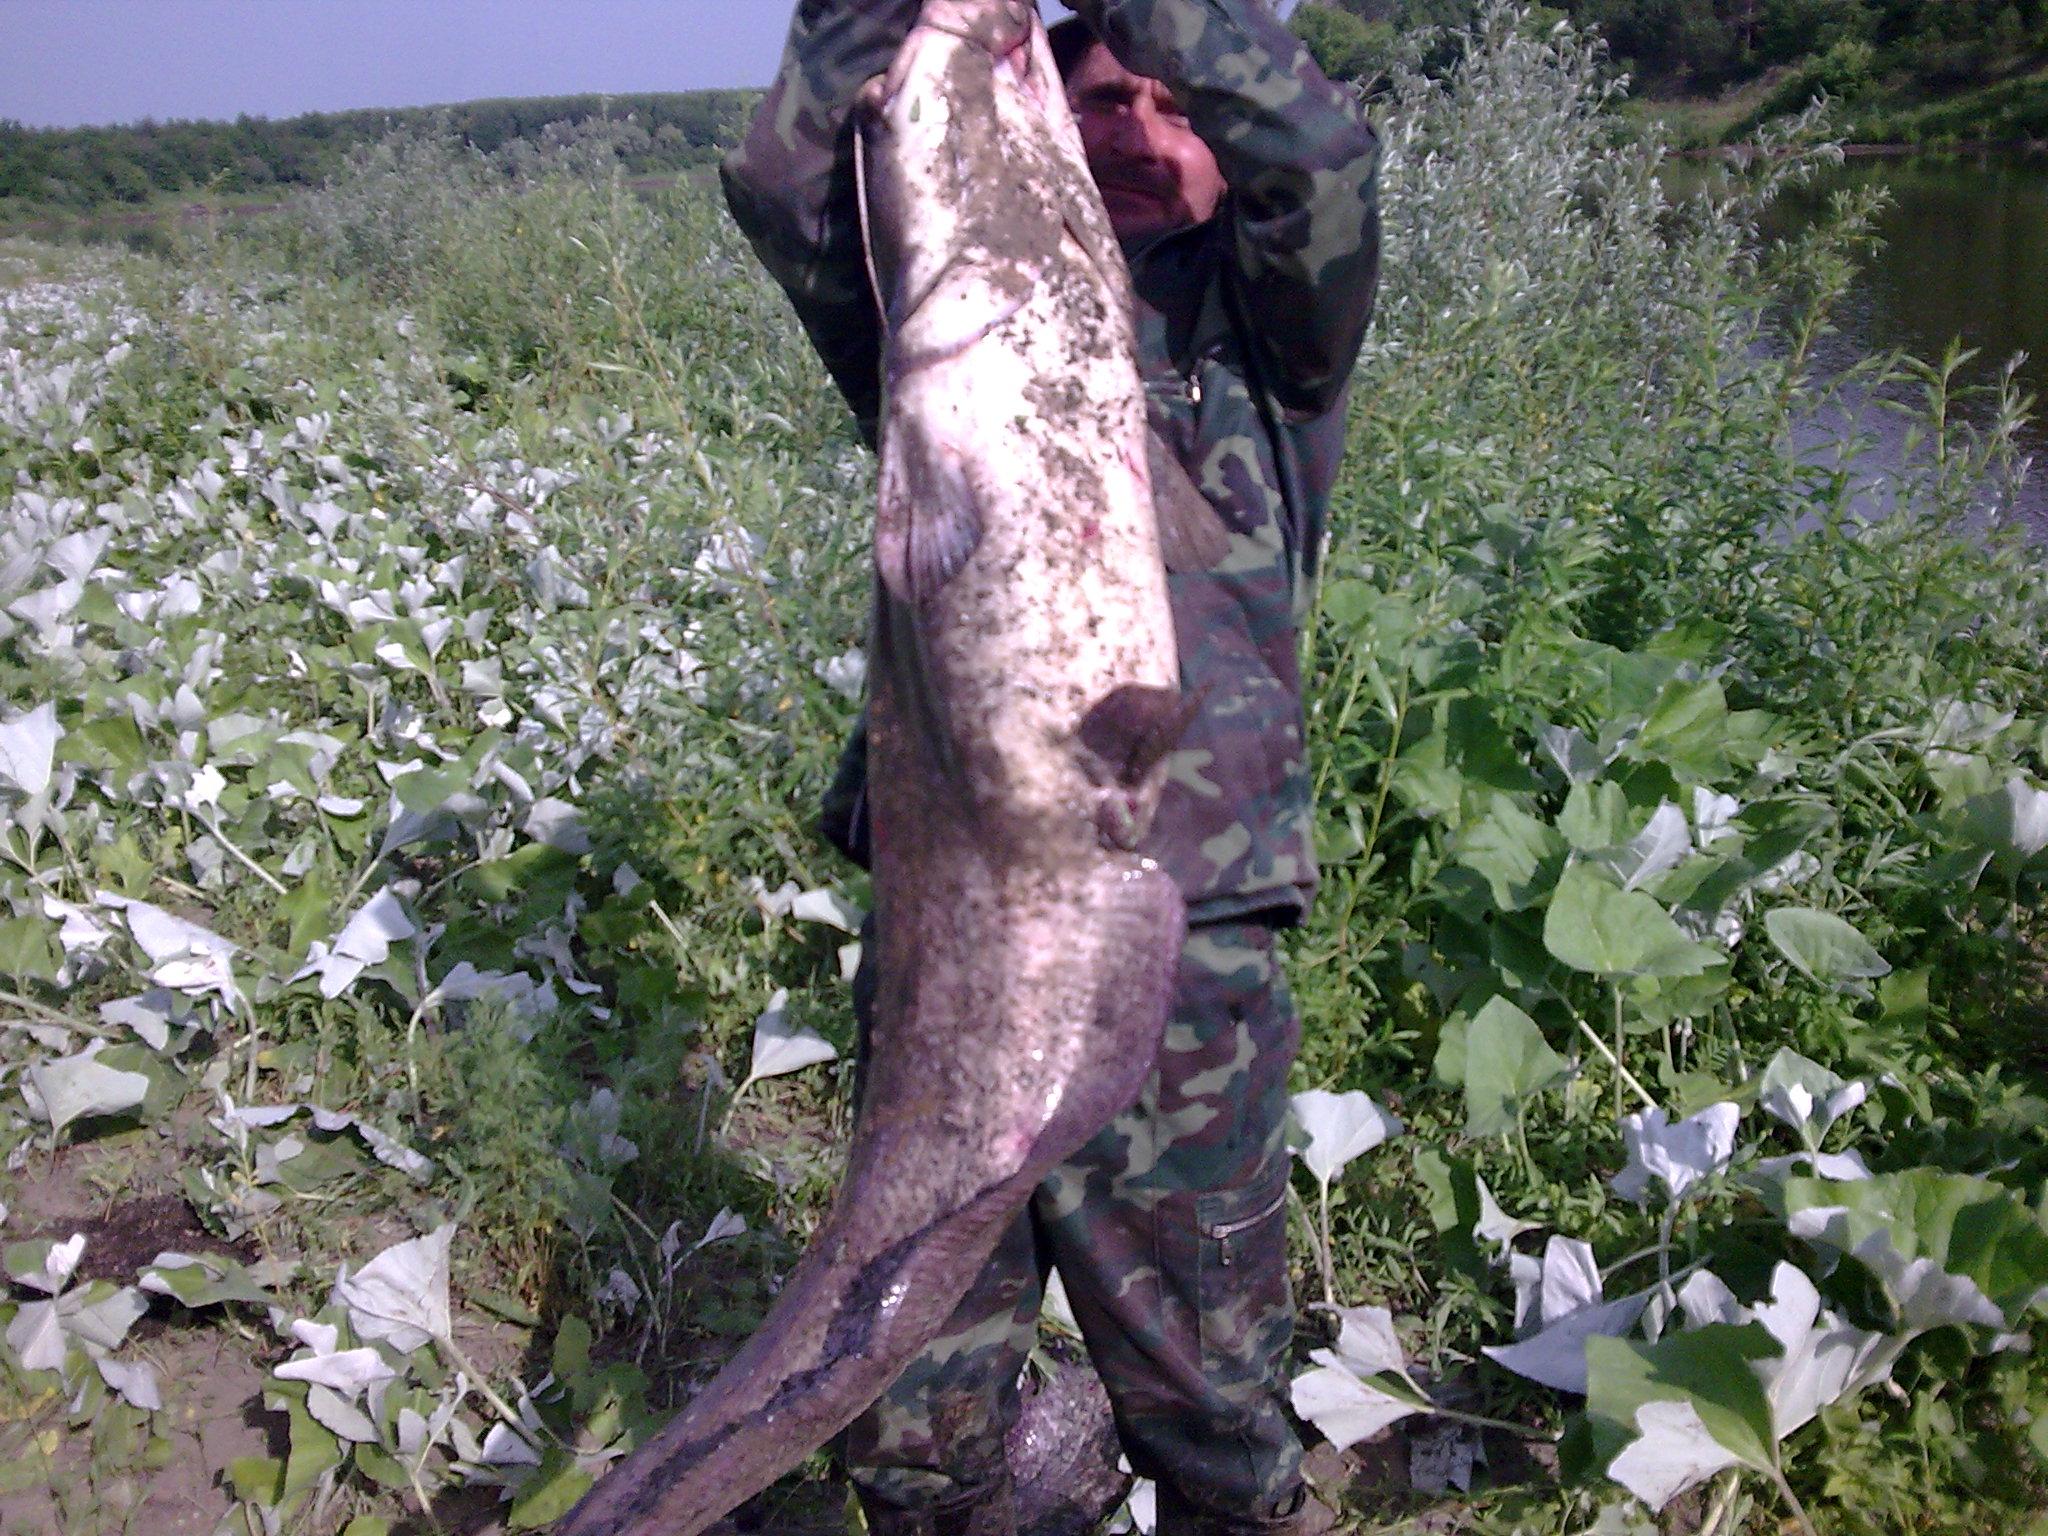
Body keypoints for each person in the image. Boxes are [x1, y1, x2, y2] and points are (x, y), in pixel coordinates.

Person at [722, 2, 1380, 1532]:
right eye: (1104, 103)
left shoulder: (1267, 339)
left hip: (1179, 929)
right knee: (910, 1404)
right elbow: (783, 185)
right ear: (1040, 128)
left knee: (1208, 1394)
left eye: (1176, 106)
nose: (1142, 133)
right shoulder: (936, 318)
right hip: (954, 921)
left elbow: (1323, 161)